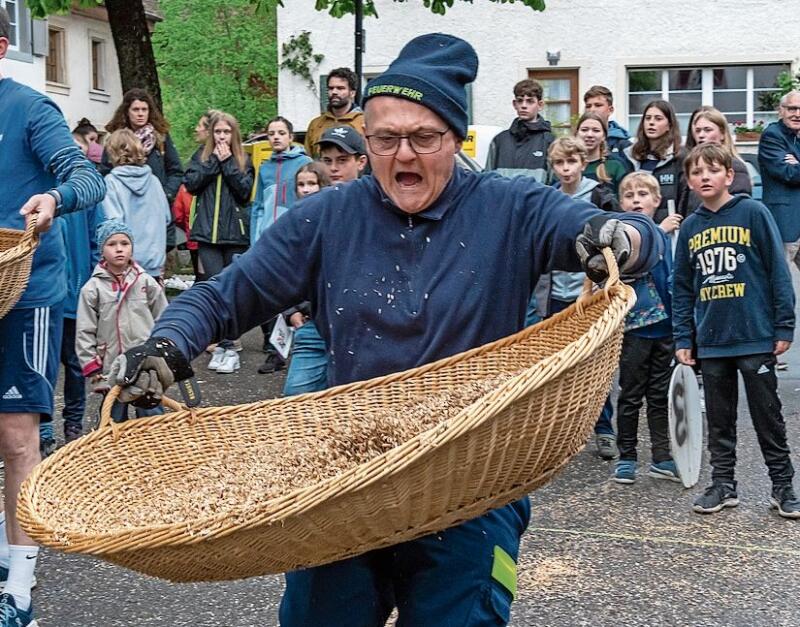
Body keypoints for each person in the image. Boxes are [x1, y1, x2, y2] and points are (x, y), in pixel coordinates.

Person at [108, 33, 661, 626]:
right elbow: (225, 296)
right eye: (384, 138)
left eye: (424, 138)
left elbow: (636, 237)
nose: (403, 156)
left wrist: (619, 238)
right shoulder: (327, 218)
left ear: (455, 138)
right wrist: (166, 347)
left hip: (472, 481)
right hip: (345, 481)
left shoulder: (512, 208)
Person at [0, 7, 105, 624]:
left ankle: (18, 592)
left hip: (28, 289)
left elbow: (86, 179)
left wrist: (54, 198)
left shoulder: (31, 110)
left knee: (16, 437)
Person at [673, 144, 800, 519]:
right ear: (690, 181)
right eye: (697, 172)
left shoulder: (753, 212)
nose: (705, 177)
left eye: (713, 170)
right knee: (719, 418)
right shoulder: (692, 227)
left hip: (755, 336)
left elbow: (778, 271)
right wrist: (684, 337)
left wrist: (784, 325)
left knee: (768, 416)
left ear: (729, 175)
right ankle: (723, 484)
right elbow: (681, 287)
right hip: (712, 342)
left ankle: (783, 486)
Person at [535, 136, 618, 459]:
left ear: (583, 163)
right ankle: (562, 435)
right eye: (559, 163)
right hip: (556, 294)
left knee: (595, 365)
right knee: (560, 369)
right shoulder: (549, 199)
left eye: (571, 162)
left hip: (590, 293)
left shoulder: (598, 195)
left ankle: (604, 429)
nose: (566, 169)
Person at [613, 172, 681, 484]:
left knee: (659, 395)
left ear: (657, 200)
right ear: (621, 203)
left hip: (666, 329)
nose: (636, 199)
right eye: (629, 195)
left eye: (643, 194)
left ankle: (661, 456)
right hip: (635, 330)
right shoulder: (622, 235)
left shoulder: (671, 238)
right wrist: (658, 231)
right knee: (630, 394)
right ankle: (626, 455)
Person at [184, 110, 255, 375]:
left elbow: (245, 191)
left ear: (233, 134)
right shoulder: (201, 157)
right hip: (207, 236)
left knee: (232, 290)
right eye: (218, 132)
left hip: (234, 236)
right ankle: (222, 343)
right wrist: (213, 162)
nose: (222, 137)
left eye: (226, 132)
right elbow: (191, 184)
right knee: (214, 289)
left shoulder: (243, 159)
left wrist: (227, 164)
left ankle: (230, 346)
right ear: (212, 134)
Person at [76, 220, 168, 422]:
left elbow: (163, 316)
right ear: (102, 250)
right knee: (113, 419)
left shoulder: (145, 282)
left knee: (152, 416)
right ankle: (112, 451)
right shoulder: (92, 289)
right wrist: (92, 366)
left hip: (145, 363)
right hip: (111, 366)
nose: (119, 249)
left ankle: (155, 450)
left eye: (125, 243)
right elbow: (84, 331)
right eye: (112, 244)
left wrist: (162, 350)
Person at [251, 116, 312, 372]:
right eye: (271, 133)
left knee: (295, 293)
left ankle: (303, 345)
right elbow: (257, 206)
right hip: (268, 238)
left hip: (292, 239)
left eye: (281, 132)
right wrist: (255, 239)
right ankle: (275, 350)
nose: (275, 137)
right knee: (271, 295)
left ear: (290, 137)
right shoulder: (264, 168)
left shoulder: (304, 163)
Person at [102, 88, 183, 253]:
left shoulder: (161, 139)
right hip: (125, 209)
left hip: (155, 211)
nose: (140, 114)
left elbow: (176, 171)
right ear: (127, 111)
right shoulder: (116, 140)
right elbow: (104, 170)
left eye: (144, 109)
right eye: (136, 109)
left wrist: (165, 195)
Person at [101, 129, 172, 279]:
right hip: (154, 264)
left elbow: (113, 225)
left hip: (126, 267)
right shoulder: (154, 182)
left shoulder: (111, 183)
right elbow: (166, 218)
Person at [679, 106, 751, 217]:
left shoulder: (735, 166)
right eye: (698, 131)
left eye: (707, 130)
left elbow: (740, 207)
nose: (701, 135)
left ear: (722, 134)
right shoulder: (691, 166)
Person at [619, 99, 684, 223]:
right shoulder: (629, 156)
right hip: (635, 228)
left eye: (658, 119)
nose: (651, 123)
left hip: (668, 231)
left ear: (669, 125)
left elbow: (684, 200)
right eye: (648, 118)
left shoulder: (679, 158)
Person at [758, 90, 800, 271]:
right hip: (786, 222)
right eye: (792, 109)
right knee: (782, 280)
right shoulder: (772, 136)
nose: (797, 114)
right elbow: (788, 174)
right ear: (781, 110)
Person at [485, 78, 555, 183]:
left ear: (540, 105)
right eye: (520, 100)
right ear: (514, 104)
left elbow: (554, 183)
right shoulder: (499, 140)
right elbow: (488, 180)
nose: (524, 106)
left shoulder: (549, 141)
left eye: (530, 101)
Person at [304, 68, 365, 158]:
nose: (334, 92)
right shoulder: (316, 124)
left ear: (352, 93)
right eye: (331, 88)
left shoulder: (363, 123)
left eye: (340, 88)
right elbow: (307, 160)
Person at [574, 111, 626, 206]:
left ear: (604, 136)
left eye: (596, 130)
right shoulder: (567, 165)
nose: (589, 135)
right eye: (584, 130)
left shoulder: (615, 166)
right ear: (577, 133)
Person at [583, 85, 632, 155]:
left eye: (598, 105)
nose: (592, 110)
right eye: (588, 106)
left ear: (610, 110)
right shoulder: (577, 143)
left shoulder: (624, 146)